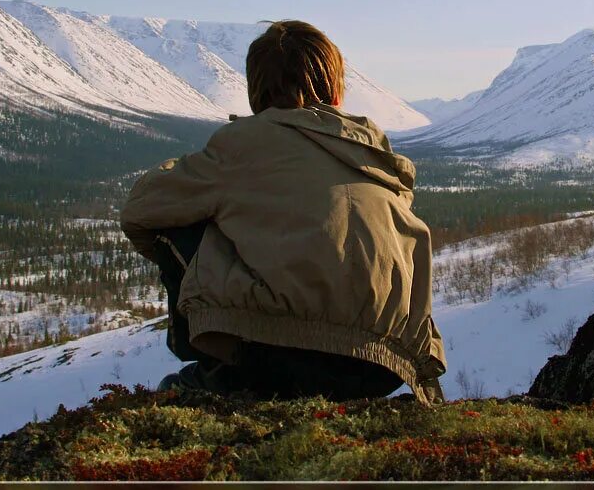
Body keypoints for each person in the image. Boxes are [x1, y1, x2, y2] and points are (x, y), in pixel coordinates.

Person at [120, 20, 446, 404]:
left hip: (278, 357)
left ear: (255, 90)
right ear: (336, 88)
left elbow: (140, 212)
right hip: (386, 364)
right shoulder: (376, 156)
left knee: (182, 223)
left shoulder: (244, 144)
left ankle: (215, 373)